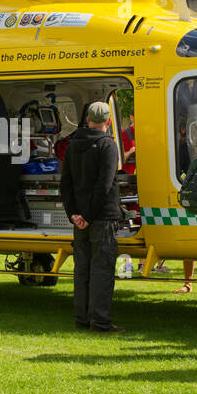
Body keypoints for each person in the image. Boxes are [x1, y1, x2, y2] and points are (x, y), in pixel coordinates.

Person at [61, 101, 124, 333]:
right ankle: (100, 320)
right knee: (102, 269)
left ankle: (81, 318)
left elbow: (65, 183)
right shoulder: (108, 145)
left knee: (82, 269)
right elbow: (105, 185)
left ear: (87, 120)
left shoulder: (72, 144)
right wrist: (88, 215)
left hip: (79, 218)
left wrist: (74, 214)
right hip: (102, 217)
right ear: (108, 122)